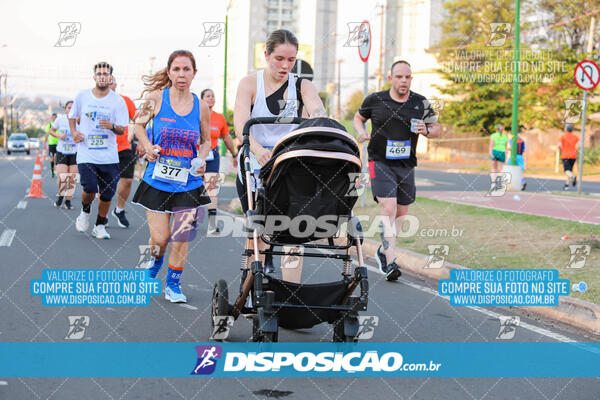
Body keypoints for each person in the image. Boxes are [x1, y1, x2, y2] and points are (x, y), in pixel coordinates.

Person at [233, 29, 327, 283]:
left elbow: (318, 110)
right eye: (279, 59)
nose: (285, 65)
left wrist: (320, 119)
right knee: (259, 226)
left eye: (291, 60)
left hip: (289, 161)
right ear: (266, 55)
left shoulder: (302, 85)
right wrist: (257, 149)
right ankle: (251, 285)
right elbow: (241, 120)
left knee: (295, 229)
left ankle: (291, 290)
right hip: (256, 159)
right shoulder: (250, 83)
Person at [132, 50, 211, 303]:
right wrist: (147, 146)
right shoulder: (156, 98)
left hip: (188, 181)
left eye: (186, 69)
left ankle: (173, 285)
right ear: (169, 72)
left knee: (181, 236)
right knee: (160, 238)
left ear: (194, 73)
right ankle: (155, 262)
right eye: (176, 69)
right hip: (157, 179)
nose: (181, 74)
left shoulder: (201, 106)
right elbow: (138, 125)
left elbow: (207, 141)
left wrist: (201, 159)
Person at [354, 60, 440, 281]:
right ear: (390, 78)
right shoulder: (375, 100)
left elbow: (436, 128)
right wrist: (361, 131)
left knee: (402, 212)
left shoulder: (420, 102)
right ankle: (391, 261)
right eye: (400, 76)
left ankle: (383, 251)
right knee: (388, 207)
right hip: (379, 161)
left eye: (408, 77)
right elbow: (358, 118)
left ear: (411, 79)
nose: (404, 81)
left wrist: (427, 130)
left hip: (406, 164)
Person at [68, 62, 129, 239]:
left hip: (109, 155)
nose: (103, 76)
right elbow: (72, 117)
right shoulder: (82, 96)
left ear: (111, 78)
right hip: (87, 152)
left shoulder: (117, 101)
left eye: (106, 74)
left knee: (107, 193)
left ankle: (100, 225)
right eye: (99, 73)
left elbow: (122, 129)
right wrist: (74, 133)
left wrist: (111, 126)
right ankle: (85, 212)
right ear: (94, 77)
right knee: (90, 187)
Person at [200, 88, 238, 235]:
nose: (211, 98)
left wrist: (234, 154)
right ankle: (190, 220)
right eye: (208, 96)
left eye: (213, 96)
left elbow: (227, 137)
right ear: (202, 99)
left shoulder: (219, 118)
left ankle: (212, 224)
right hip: (196, 156)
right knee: (195, 189)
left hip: (212, 156)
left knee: (211, 188)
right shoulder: (195, 115)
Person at [109, 77, 137, 228]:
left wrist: (141, 141)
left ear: (115, 85)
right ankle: (103, 214)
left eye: (112, 81)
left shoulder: (125, 100)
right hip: (105, 149)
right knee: (106, 184)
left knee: (127, 180)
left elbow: (138, 119)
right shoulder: (96, 102)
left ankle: (119, 210)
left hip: (124, 146)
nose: (109, 84)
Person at [49, 101, 78, 209]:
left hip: (75, 152)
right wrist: (58, 135)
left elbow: (85, 134)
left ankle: (68, 201)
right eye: (69, 108)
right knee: (62, 176)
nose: (70, 109)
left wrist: (79, 136)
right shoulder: (60, 120)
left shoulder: (79, 121)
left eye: (72, 108)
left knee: (72, 178)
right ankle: (61, 195)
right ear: (65, 109)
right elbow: (51, 131)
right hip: (62, 151)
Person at [558, 123, 580, 191]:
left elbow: (559, 145)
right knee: (569, 170)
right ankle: (566, 185)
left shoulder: (562, 136)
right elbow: (580, 145)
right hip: (573, 156)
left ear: (566, 129)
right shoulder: (575, 137)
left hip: (565, 155)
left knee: (566, 170)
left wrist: (561, 150)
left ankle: (572, 177)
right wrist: (576, 150)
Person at [507, 125, 526, 191]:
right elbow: (523, 150)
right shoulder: (522, 140)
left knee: (508, 168)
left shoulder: (512, 140)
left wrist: (509, 150)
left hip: (513, 156)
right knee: (520, 170)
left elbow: (510, 148)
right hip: (520, 156)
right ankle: (522, 182)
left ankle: (507, 182)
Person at [43, 113, 58, 177]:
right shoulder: (49, 125)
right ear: (51, 118)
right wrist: (45, 143)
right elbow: (46, 135)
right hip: (51, 144)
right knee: (51, 159)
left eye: (55, 117)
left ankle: (57, 170)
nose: (54, 119)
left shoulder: (59, 125)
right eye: (53, 117)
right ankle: (53, 172)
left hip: (58, 144)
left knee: (56, 158)